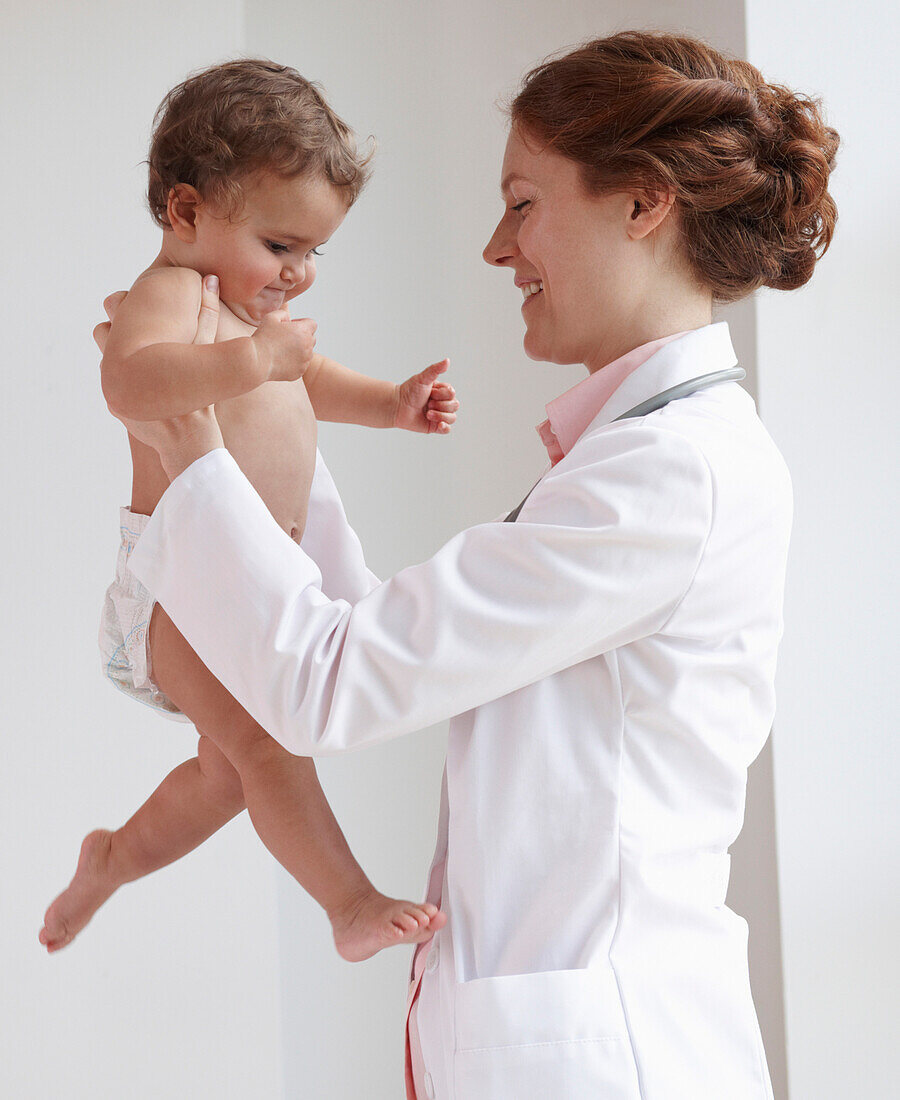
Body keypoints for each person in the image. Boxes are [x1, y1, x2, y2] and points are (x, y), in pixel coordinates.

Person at [93, 31, 839, 1100]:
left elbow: (326, 682)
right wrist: (258, 448)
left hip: (610, 1057)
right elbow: (355, 641)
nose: (497, 246)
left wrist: (191, 448)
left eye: (524, 202)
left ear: (642, 203)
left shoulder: (671, 478)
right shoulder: (638, 459)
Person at [39, 59, 457, 959]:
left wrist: (389, 403)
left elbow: (313, 380)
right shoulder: (175, 294)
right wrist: (251, 362)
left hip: (239, 583)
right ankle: (346, 903)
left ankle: (110, 861)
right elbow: (129, 376)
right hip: (176, 585)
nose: (299, 273)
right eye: (279, 246)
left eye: (313, 252)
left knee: (227, 775)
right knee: (269, 748)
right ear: (186, 212)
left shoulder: (250, 321)